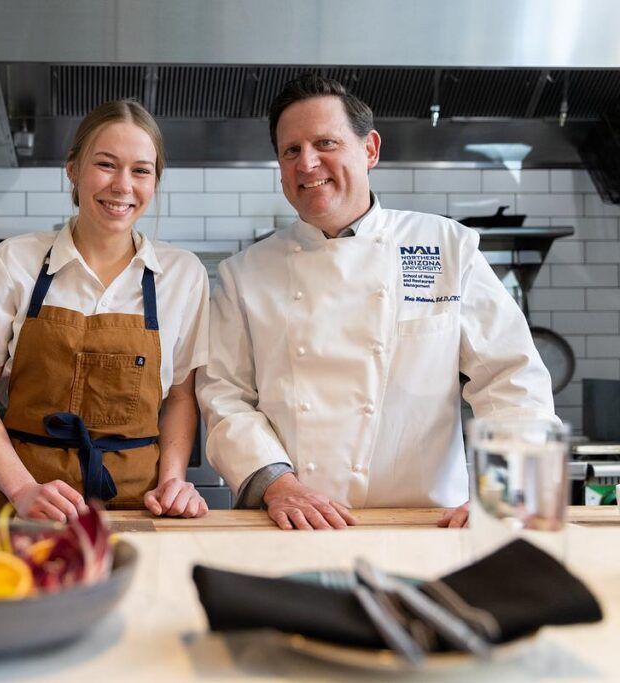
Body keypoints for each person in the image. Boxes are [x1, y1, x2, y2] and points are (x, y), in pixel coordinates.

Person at [196, 74, 556, 530]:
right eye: (291, 150)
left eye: (325, 143)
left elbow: (510, 376)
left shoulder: (447, 246)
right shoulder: (245, 273)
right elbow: (225, 397)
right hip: (293, 526)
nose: (307, 163)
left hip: (428, 527)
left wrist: (507, 493)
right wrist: (279, 486)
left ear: (370, 149)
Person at [0, 100, 209, 521]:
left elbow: (180, 397)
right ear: (73, 169)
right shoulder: (14, 262)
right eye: (106, 164)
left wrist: (172, 481)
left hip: (138, 509)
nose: (123, 185)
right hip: (27, 509)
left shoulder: (183, 274)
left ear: (155, 181)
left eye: (141, 170)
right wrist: (22, 489)